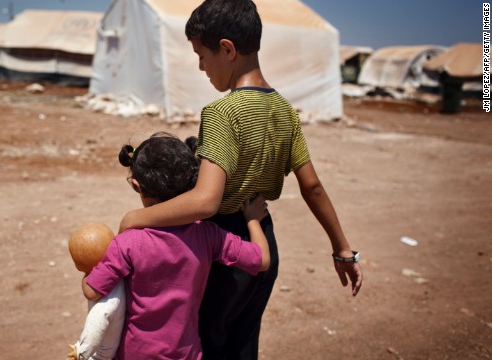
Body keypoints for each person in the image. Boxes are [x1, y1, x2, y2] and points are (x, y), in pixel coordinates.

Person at [118, 1, 364, 359]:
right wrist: (342, 249)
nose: (200, 66)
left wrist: (135, 219)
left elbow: (206, 201)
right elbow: (312, 185)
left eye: (201, 55)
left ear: (227, 49)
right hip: (265, 244)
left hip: (223, 251)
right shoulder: (284, 110)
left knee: (208, 343)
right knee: (244, 344)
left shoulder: (222, 113)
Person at [82, 132, 271, 360]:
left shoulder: (127, 243)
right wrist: (252, 219)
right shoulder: (207, 235)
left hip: (136, 353)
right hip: (187, 352)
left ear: (137, 186)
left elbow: (92, 290)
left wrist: (87, 268)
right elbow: (261, 260)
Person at [67, 223, 125, 360]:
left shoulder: (105, 298)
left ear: (78, 266)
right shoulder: (120, 275)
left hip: (102, 353)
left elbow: (97, 321)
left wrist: (81, 351)